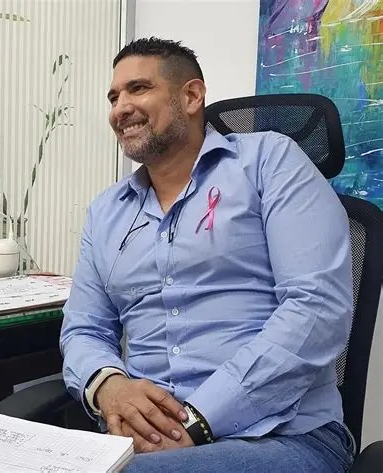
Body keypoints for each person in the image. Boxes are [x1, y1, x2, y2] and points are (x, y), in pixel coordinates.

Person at [60, 37, 355, 472]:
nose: (120, 108)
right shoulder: (106, 212)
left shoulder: (269, 162)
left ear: (192, 96)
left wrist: (193, 423)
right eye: (114, 97)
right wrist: (109, 386)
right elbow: (84, 328)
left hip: (281, 435)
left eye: (138, 89)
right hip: (143, 446)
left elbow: (316, 308)